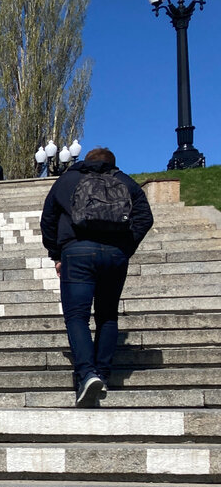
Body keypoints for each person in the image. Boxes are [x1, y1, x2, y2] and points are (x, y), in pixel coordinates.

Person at [39, 146, 154, 407]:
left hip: (77, 252)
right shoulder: (125, 181)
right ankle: (102, 372)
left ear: (85, 161)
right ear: (113, 163)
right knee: (107, 315)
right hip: (115, 255)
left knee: (77, 316)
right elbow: (145, 218)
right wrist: (125, 246)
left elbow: (48, 219)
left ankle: (87, 374)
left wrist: (56, 254)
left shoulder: (67, 180)